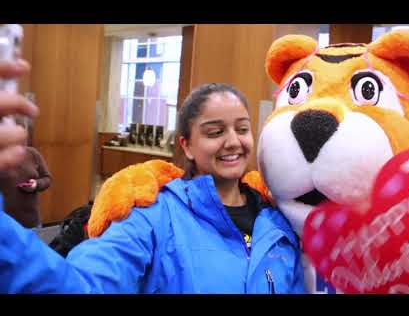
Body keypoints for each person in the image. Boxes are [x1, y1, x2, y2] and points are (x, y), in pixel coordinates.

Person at [0, 56, 305, 293]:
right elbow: (81, 285)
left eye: (242, 128)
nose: (233, 141)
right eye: (215, 132)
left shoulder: (277, 224)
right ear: (186, 146)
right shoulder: (153, 218)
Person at [0, 115, 51, 228]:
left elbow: (47, 178)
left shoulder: (32, 154)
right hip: (4, 224)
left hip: (30, 221)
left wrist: (36, 184)